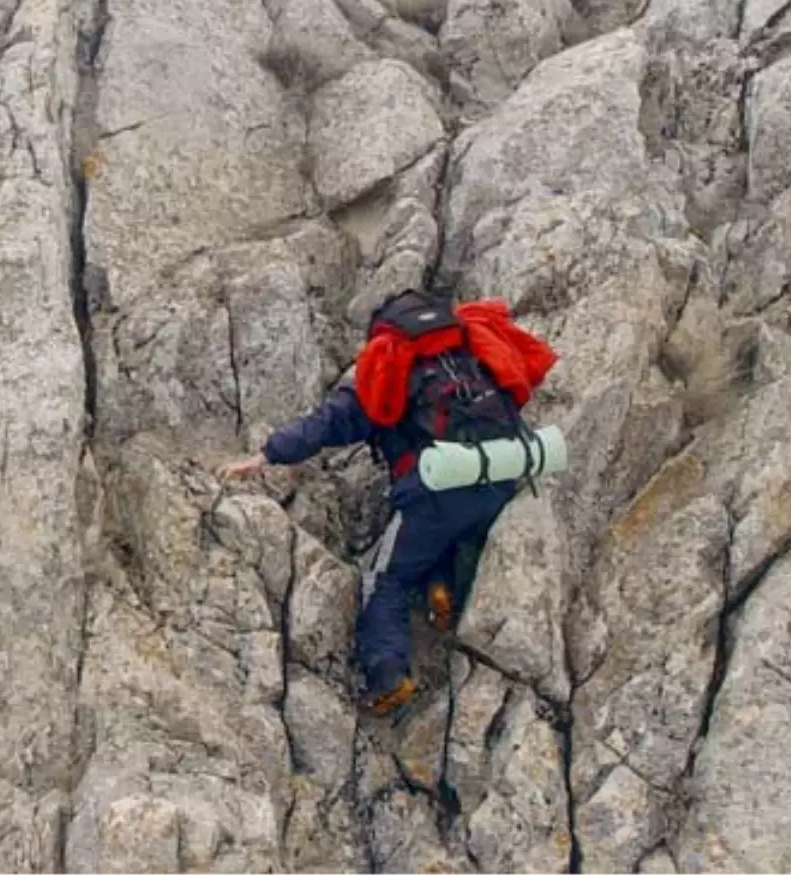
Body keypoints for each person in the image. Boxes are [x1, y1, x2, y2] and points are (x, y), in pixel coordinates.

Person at [217, 290, 557, 717]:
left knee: (385, 579)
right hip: (501, 477)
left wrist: (266, 454)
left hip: (436, 491)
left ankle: (388, 676)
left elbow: (330, 421)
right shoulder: (471, 350)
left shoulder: (390, 365)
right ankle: (441, 587)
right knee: (445, 535)